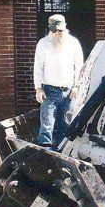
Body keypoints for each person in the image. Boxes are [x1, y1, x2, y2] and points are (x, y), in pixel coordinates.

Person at [34, 14, 84, 148]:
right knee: (47, 124)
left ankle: (62, 150)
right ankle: (45, 152)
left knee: (66, 123)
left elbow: (79, 67)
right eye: (54, 30)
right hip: (50, 91)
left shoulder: (73, 43)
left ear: (65, 28)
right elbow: (38, 67)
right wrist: (38, 88)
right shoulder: (43, 43)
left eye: (60, 30)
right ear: (49, 29)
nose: (57, 33)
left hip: (69, 91)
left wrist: (76, 86)